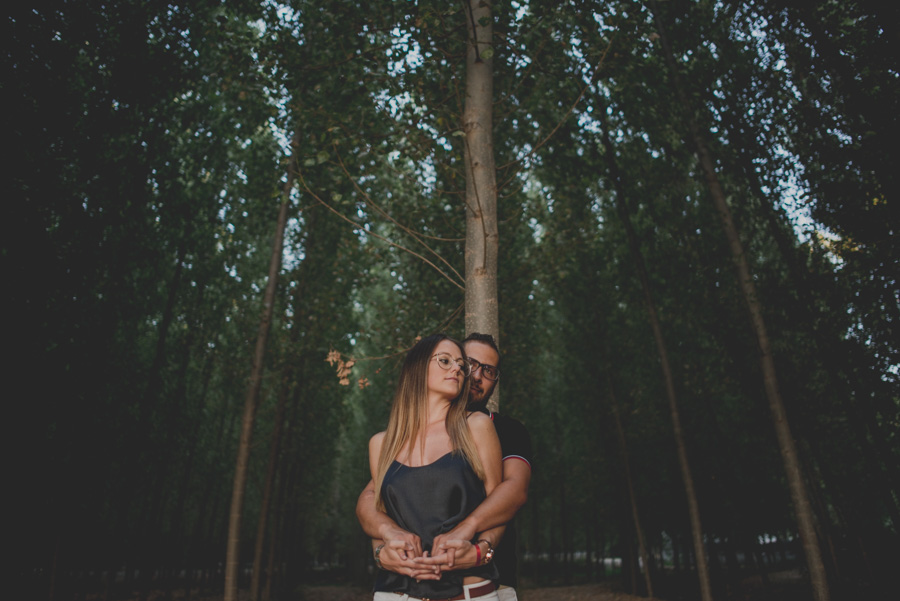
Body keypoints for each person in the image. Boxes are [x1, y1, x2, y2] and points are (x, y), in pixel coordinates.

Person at [358, 333, 532, 601]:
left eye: (488, 371)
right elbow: (377, 506)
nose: (466, 372)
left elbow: (507, 498)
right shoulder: (383, 443)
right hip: (396, 591)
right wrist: (382, 550)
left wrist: (478, 548)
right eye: (464, 363)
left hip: (472, 586)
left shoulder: (487, 427)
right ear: (418, 367)